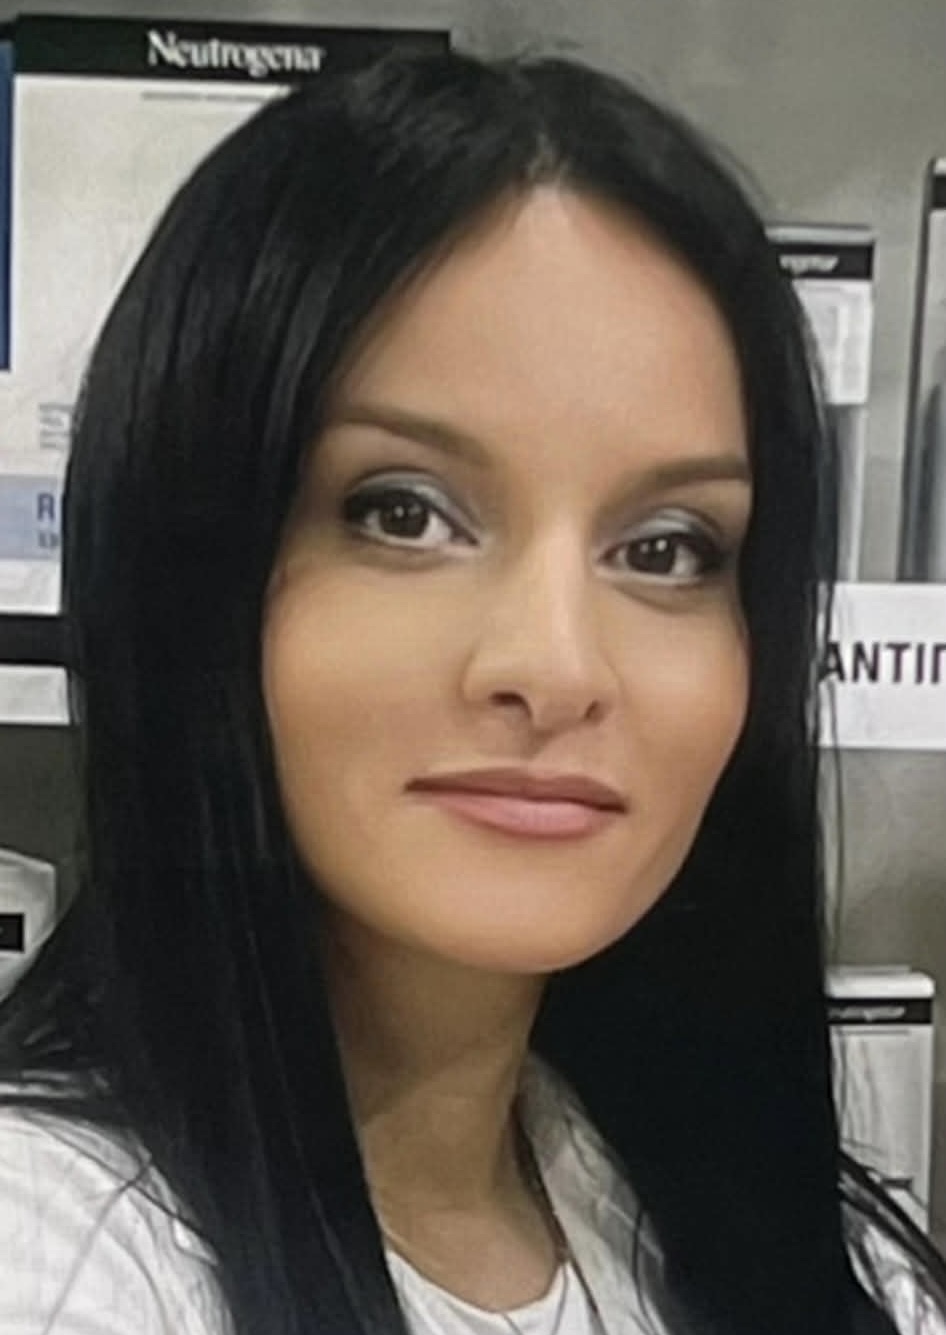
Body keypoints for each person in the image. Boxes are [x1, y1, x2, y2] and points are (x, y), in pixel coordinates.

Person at [0, 46, 943, 1335]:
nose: (556, 668)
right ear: (187, 565)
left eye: (666, 548)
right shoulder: (51, 1256)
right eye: (404, 513)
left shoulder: (792, 1248)